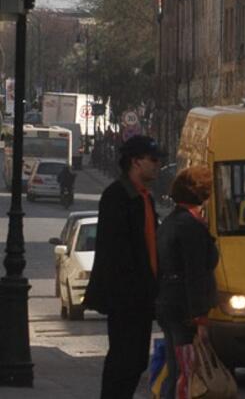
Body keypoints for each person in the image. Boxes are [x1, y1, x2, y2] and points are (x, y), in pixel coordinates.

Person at [83, 135, 164, 399]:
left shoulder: (144, 198)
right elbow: (116, 252)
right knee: (123, 359)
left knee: (137, 359)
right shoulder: (117, 196)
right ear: (135, 162)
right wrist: (133, 290)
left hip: (143, 294)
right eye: (153, 159)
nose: (158, 165)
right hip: (126, 295)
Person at [156, 166, 219, 399]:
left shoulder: (170, 222)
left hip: (168, 302)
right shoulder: (190, 227)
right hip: (185, 308)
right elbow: (195, 273)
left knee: (175, 369)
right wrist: (200, 318)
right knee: (186, 370)